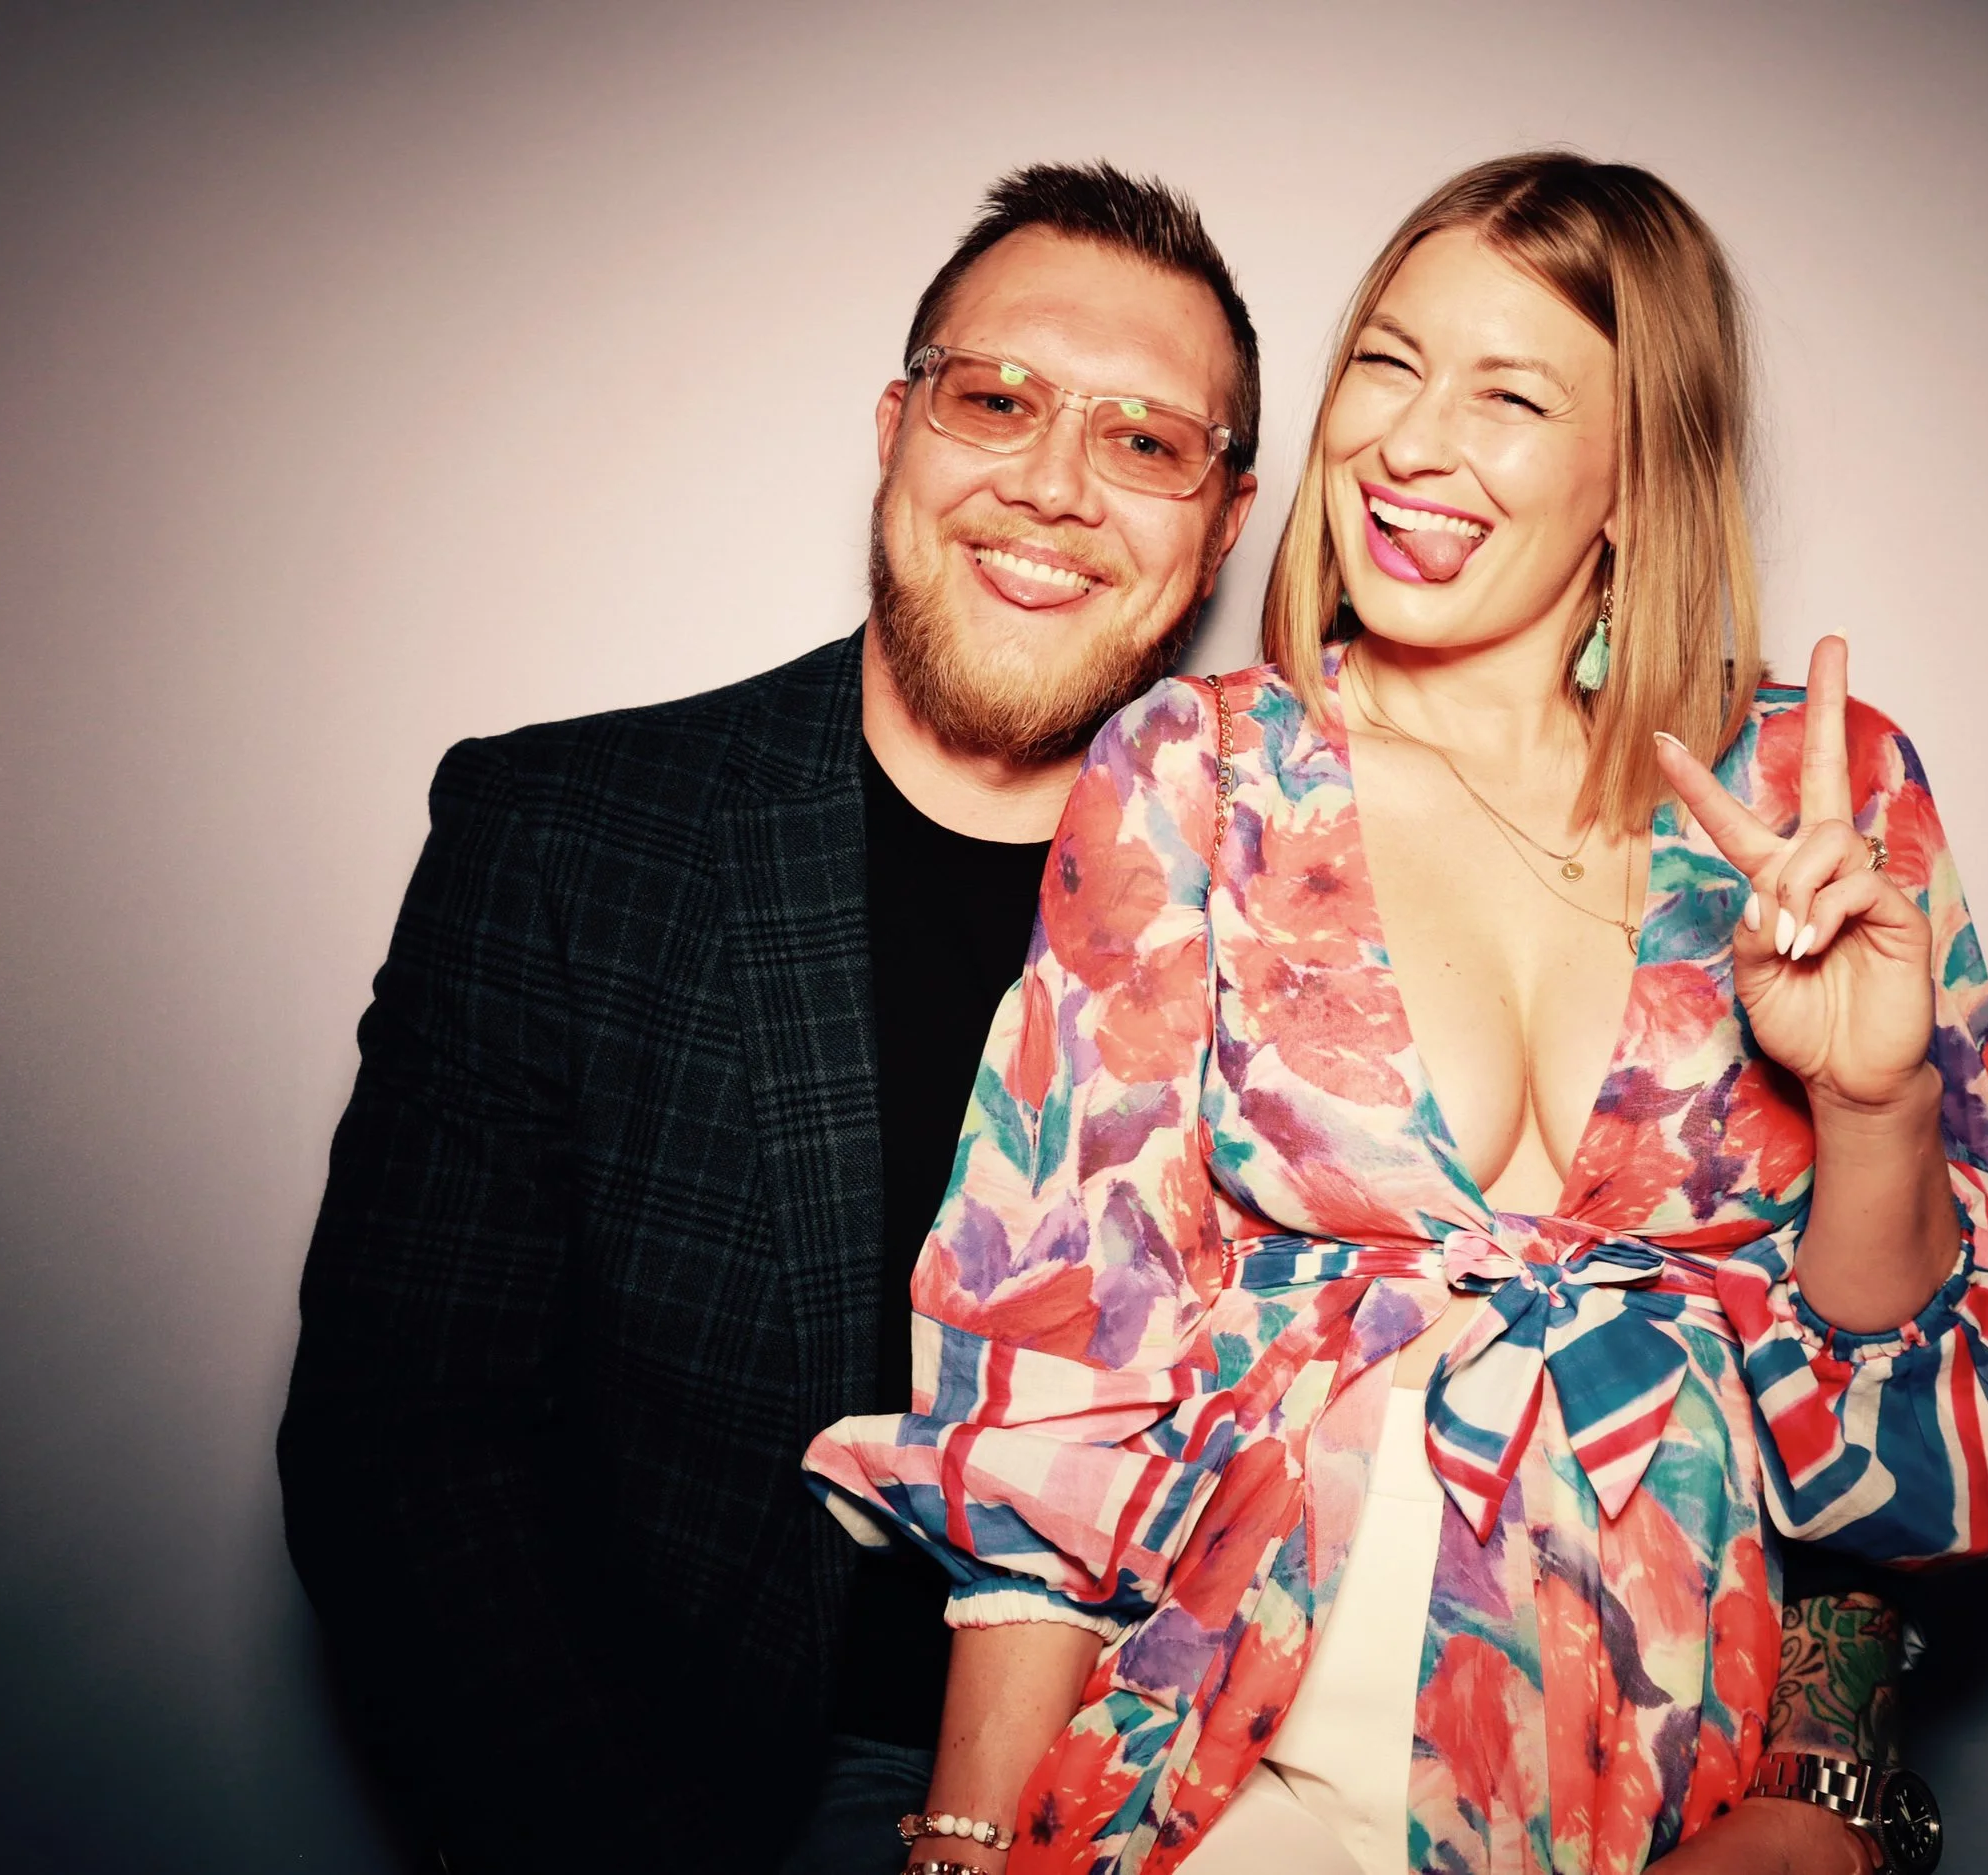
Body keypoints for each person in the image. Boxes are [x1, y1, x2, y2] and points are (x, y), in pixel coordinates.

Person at [804, 153, 1988, 1875]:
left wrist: (1874, 1111)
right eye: (1389, 363)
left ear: (1639, 475)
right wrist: (967, 1840)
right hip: (1235, 1764)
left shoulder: (1812, 798)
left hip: (1682, 1799)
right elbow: (1051, 1346)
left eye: (1509, 393)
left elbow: (1931, 1478)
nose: (1410, 443)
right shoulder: (1204, 774)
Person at [277, 162, 1264, 1872]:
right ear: (896, 425)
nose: (1052, 487)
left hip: (1207, 1791)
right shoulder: (568, 838)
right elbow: (402, 1457)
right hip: (704, 1796)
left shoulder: (1326, 889)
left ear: (1223, 521)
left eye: (1145, 440)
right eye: (998, 399)